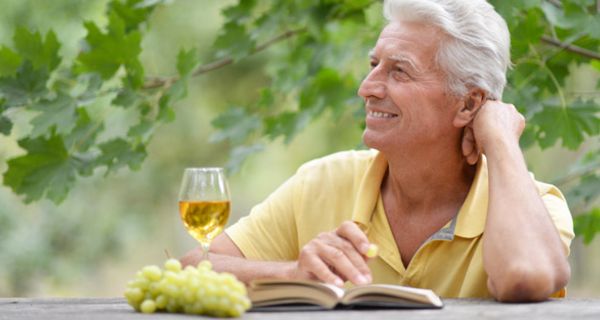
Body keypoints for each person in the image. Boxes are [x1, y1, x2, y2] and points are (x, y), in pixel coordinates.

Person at [182, 0, 574, 302]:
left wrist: (501, 140)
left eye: (398, 70)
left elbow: (526, 275)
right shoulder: (322, 181)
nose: (367, 87)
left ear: (469, 105)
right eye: (373, 64)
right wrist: (293, 273)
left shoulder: (536, 206)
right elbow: (191, 269)